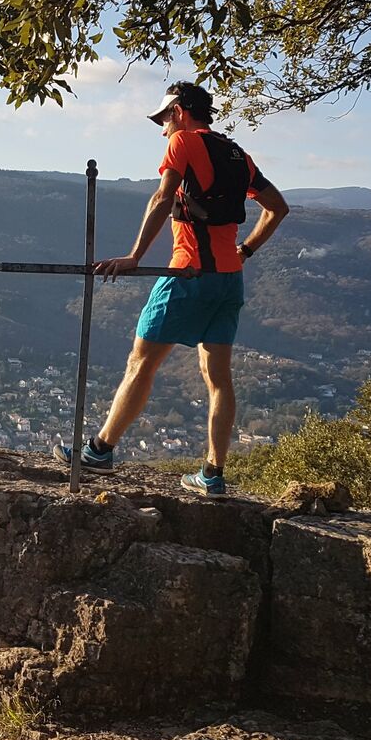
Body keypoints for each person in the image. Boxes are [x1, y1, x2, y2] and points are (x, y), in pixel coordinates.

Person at [56, 81, 290, 494]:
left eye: (164, 118)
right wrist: (246, 250)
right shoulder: (239, 155)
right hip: (229, 280)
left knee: (140, 362)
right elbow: (277, 207)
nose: (162, 128)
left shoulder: (183, 141)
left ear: (180, 110)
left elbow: (163, 199)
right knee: (218, 377)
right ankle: (213, 475)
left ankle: (100, 450)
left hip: (187, 275)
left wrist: (134, 257)